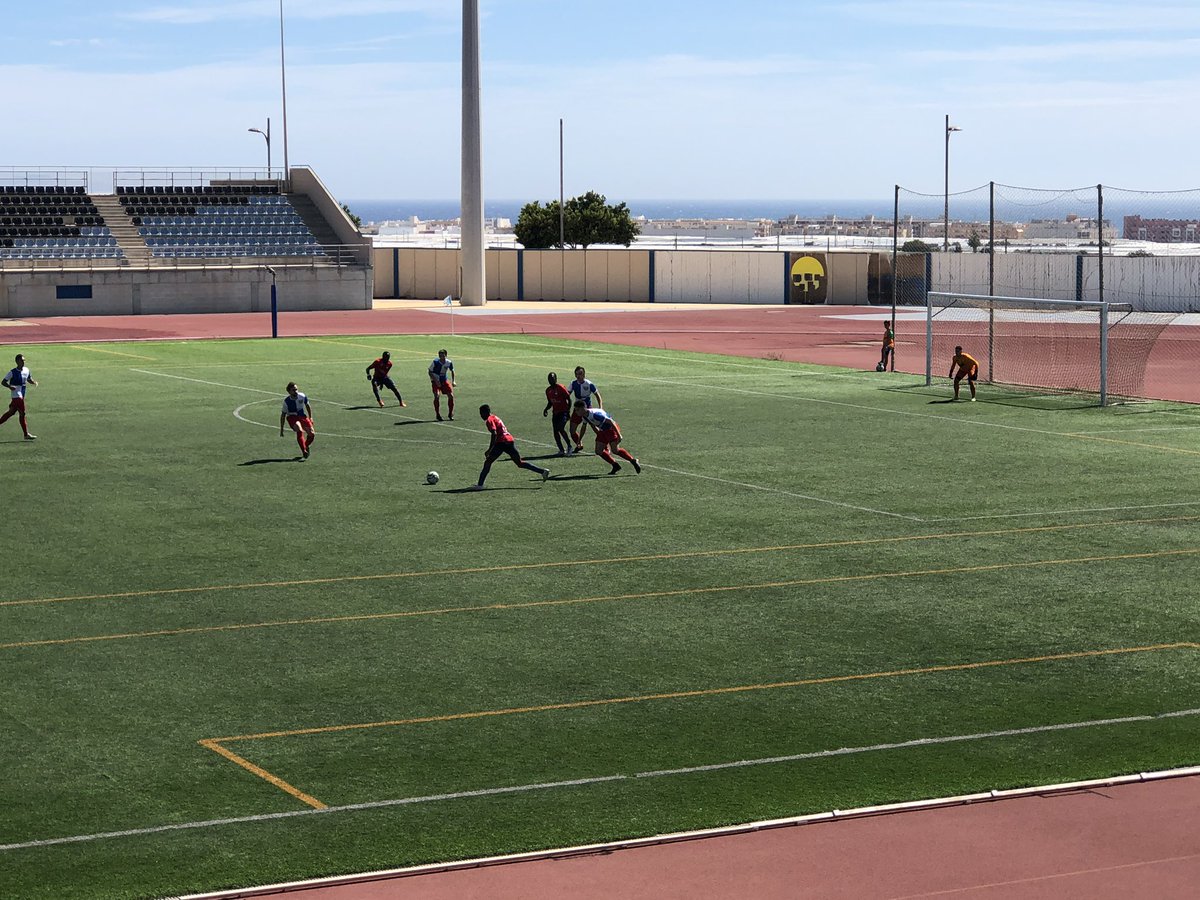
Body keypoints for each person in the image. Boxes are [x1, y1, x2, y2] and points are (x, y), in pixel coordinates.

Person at [472, 404, 550, 490]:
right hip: (509, 440)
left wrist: (490, 449)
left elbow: (494, 433)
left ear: (486, 412)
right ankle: (543, 471)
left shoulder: (489, 420)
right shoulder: (495, 417)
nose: (481, 416)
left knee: (488, 462)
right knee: (519, 463)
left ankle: (480, 485)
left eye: (481, 413)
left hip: (501, 442)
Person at [573, 400, 640, 475]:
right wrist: (579, 440)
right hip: (603, 430)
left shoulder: (595, 414)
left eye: (577, 410)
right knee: (598, 451)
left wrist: (619, 435)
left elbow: (611, 422)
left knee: (615, 450)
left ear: (583, 408)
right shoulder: (584, 416)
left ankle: (633, 460)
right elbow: (583, 428)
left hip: (611, 429)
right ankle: (615, 465)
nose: (576, 412)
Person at [0, 353, 37, 440]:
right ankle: (26, 434)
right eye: (21, 360)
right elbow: (3, 382)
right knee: (22, 413)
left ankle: (26, 435)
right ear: (17, 361)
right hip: (16, 396)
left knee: (11, 412)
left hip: (22, 394)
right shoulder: (12, 372)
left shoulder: (26, 370)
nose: (23, 362)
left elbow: (29, 379)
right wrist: (9, 386)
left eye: (24, 360)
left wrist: (34, 382)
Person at [567, 366, 603, 452]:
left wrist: (600, 407)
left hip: (587, 409)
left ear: (584, 374)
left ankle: (605, 445)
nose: (578, 376)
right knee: (572, 430)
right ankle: (579, 444)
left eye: (580, 374)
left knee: (594, 427)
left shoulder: (589, 384)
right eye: (577, 374)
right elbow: (567, 395)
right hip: (577, 409)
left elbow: (597, 395)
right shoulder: (573, 383)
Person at [279, 381, 316, 459]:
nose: (295, 391)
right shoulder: (286, 402)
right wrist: (282, 429)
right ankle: (304, 451)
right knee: (299, 429)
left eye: (296, 389)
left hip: (302, 416)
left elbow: (307, 405)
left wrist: (310, 417)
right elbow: (283, 415)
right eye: (293, 390)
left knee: (312, 434)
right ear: (289, 392)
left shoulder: (302, 396)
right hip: (292, 417)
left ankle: (305, 446)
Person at [542, 371, 573, 455]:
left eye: (552, 378)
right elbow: (550, 402)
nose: (551, 380)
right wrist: (546, 409)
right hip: (555, 413)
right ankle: (561, 450)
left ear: (556, 379)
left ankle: (569, 446)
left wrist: (568, 411)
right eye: (549, 379)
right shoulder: (548, 390)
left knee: (560, 428)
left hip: (563, 412)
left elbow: (569, 399)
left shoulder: (561, 388)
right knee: (555, 431)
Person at [428, 349, 456, 421]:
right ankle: (437, 414)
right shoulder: (435, 362)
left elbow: (452, 370)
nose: (441, 357)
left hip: (444, 380)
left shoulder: (449, 362)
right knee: (437, 396)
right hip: (435, 381)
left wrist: (453, 381)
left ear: (446, 355)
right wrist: (436, 381)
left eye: (443, 356)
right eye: (440, 356)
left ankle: (450, 413)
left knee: (451, 396)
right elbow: (430, 372)